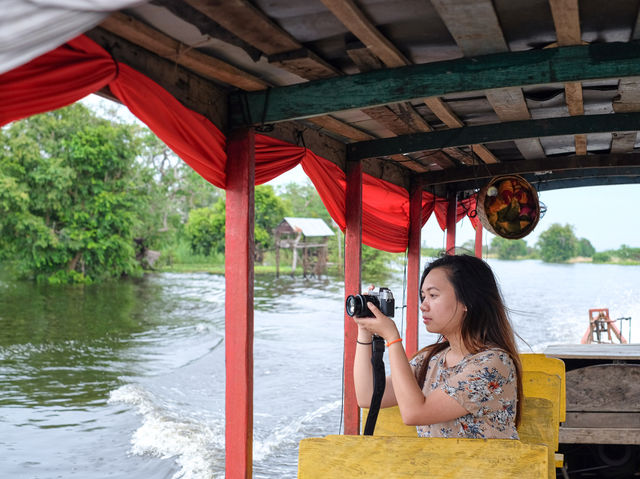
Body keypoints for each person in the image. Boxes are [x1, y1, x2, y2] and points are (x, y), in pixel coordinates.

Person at [353, 254, 523, 439]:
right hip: (436, 467)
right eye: (423, 296)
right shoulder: (432, 359)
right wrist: (365, 329)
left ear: (467, 301)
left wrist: (392, 338)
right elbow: (367, 395)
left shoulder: (493, 365)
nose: (423, 306)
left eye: (433, 295)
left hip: (482, 468)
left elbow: (414, 413)